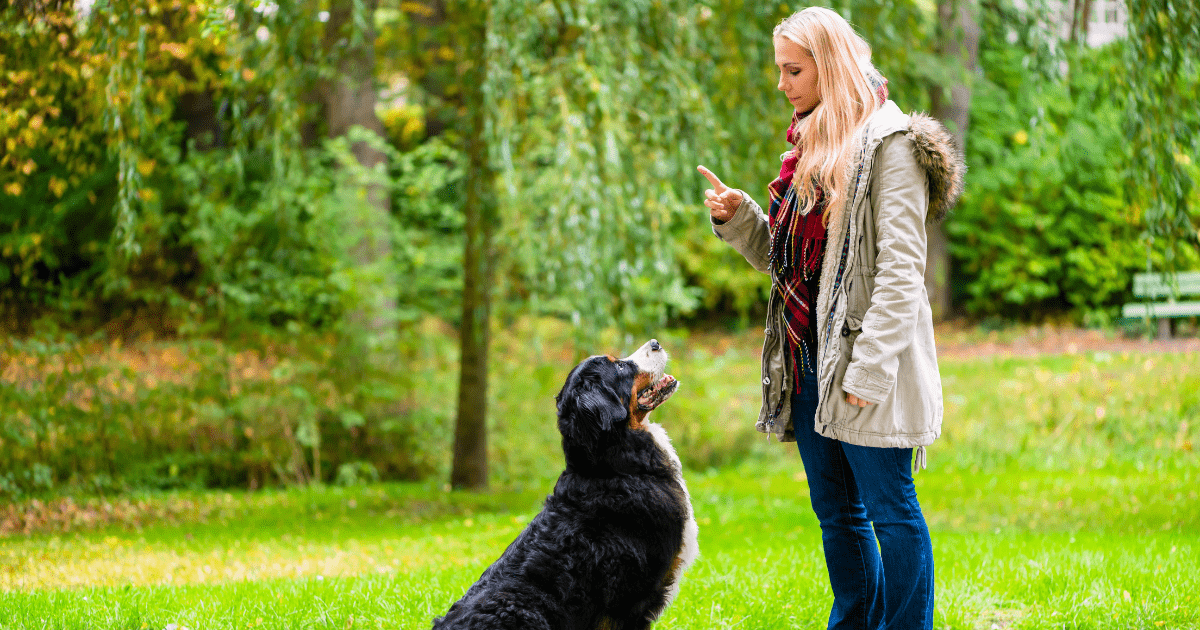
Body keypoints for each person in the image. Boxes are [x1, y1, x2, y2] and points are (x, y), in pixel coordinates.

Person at [697, 7, 964, 630]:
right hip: (808, 360)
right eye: (780, 71)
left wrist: (867, 372)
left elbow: (901, 275)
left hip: (868, 364)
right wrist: (739, 218)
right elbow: (792, 265)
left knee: (892, 511)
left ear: (830, 64)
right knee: (838, 515)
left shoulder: (891, 146)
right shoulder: (809, 145)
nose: (783, 84)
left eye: (793, 70)